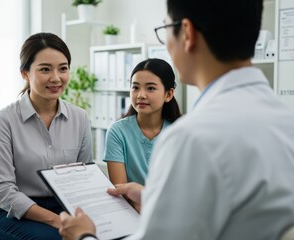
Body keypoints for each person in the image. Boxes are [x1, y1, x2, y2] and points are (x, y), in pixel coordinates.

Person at [59, 0, 294, 239]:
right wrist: (152, 197)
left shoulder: (190, 137)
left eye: (165, 30)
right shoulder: (284, 120)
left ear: (188, 33)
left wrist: (84, 236)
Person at [0, 32, 92, 240]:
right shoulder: (5, 120)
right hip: (13, 213)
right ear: (25, 73)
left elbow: (85, 178)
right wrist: (56, 220)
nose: (56, 78)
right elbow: (3, 191)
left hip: (64, 208)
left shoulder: (80, 118)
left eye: (63, 68)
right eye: (45, 69)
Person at [103, 58, 181, 185]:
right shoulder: (117, 132)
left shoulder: (179, 132)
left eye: (150, 88)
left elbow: (181, 187)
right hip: (129, 205)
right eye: (135, 87)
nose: (141, 95)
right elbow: (120, 189)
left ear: (168, 94)